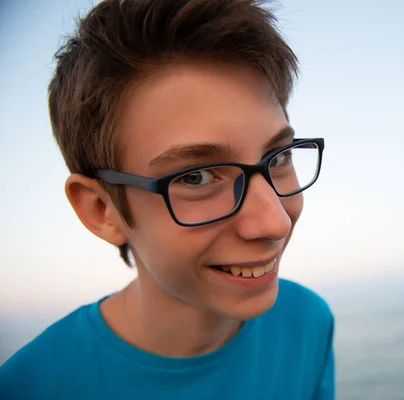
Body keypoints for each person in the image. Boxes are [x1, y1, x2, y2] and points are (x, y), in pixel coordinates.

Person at [0, 0, 334, 398]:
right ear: (102, 210)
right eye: (196, 176)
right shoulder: (29, 387)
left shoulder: (308, 323)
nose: (274, 222)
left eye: (278, 157)